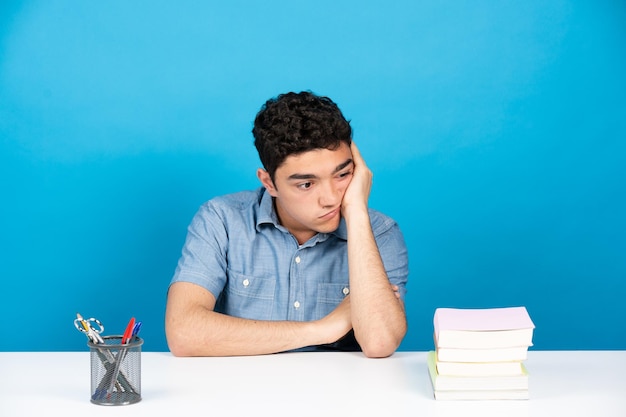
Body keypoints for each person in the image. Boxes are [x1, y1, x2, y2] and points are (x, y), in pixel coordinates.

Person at [165, 91, 408, 358]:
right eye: (306, 184)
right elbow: (183, 333)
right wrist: (324, 329)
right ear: (269, 183)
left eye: (342, 174)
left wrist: (357, 213)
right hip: (238, 391)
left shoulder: (381, 232)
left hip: (342, 395)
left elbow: (380, 343)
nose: (331, 199)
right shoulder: (221, 219)